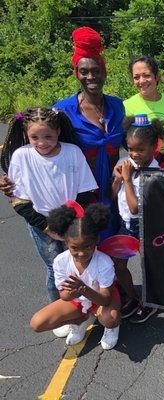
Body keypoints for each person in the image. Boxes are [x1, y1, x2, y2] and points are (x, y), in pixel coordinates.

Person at [0, 108, 97, 309]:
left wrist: (74, 221)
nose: (42, 142)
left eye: (48, 136)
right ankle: (60, 309)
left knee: (79, 265)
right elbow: (19, 200)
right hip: (41, 223)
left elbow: (85, 191)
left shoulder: (73, 152)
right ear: (26, 134)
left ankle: (85, 306)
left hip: (73, 220)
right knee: (56, 268)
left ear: (59, 131)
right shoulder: (21, 156)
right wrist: (45, 227)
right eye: (34, 137)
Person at [53, 27, 125, 237]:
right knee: (82, 255)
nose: (91, 76)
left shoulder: (117, 106)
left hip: (112, 193)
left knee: (112, 256)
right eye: (84, 71)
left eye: (96, 70)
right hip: (81, 196)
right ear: (76, 73)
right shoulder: (63, 110)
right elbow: (44, 147)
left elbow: (132, 144)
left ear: (104, 72)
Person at [29, 203, 121, 350]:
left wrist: (83, 289)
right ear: (66, 243)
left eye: (87, 246)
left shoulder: (104, 262)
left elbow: (106, 299)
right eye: (74, 248)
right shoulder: (60, 261)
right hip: (79, 298)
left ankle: (110, 327)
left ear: (96, 240)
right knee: (37, 323)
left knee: (110, 318)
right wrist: (74, 292)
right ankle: (81, 320)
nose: (82, 253)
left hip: (100, 298)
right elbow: (64, 295)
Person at [110, 114, 164, 323]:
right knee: (118, 264)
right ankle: (133, 297)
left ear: (154, 147)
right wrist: (117, 179)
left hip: (145, 226)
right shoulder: (126, 163)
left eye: (140, 149)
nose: (134, 154)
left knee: (147, 266)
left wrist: (127, 179)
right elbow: (113, 195)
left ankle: (150, 302)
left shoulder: (153, 173)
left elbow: (135, 209)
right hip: (126, 226)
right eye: (130, 148)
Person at [123, 55, 164, 154]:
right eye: (136, 77)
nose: (141, 81)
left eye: (146, 75)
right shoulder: (126, 106)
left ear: (157, 76)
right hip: (145, 166)